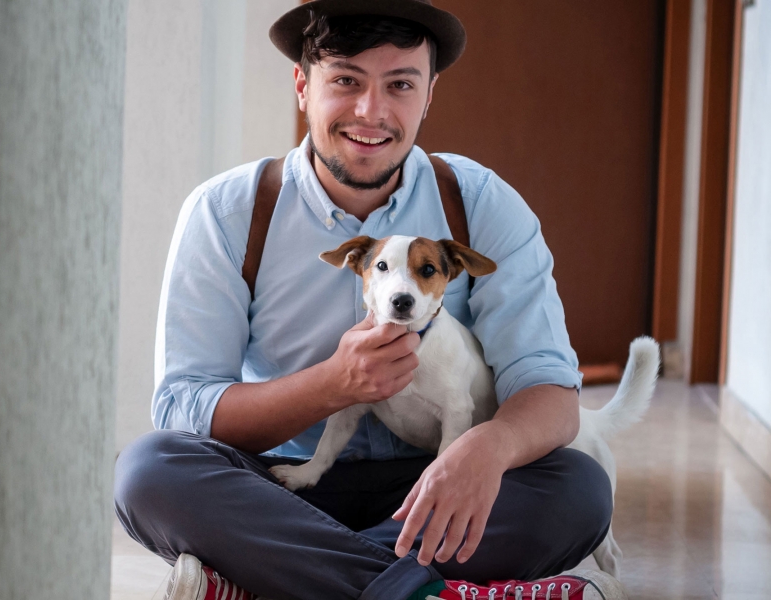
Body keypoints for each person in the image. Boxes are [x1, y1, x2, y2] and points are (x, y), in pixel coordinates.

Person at [113, 1, 626, 599]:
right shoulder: (226, 215)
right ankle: (422, 590)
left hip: (439, 483)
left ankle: (278, 582)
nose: (371, 112)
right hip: (284, 489)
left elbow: (550, 393)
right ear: (303, 85)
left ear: (429, 95)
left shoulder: (483, 203)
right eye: (346, 81)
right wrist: (334, 384)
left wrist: (487, 449)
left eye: (400, 84)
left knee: (579, 487)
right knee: (151, 471)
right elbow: (185, 410)